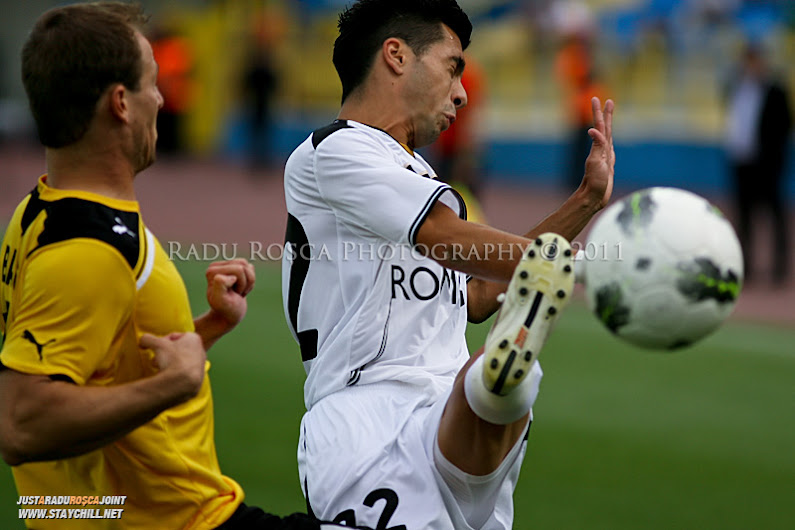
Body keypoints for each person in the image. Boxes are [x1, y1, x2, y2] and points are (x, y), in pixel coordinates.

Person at [0, 3, 336, 529]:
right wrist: (171, 386)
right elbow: (21, 425)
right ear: (120, 103)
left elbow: (100, 364)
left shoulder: (41, 212)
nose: (160, 98)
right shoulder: (90, 250)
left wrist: (201, 332)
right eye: (151, 83)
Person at [281, 0, 615, 528]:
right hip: (368, 412)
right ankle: (497, 384)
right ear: (395, 56)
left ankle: (499, 384)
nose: (461, 90)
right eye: (453, 65)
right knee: (495, 385)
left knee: (498, 388)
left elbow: (476, 296)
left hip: (444, 405)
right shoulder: (333, 151)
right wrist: (592, 269)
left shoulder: (417, 173)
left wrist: (585, 202)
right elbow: (442, 238)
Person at [724, 42, 792, 285]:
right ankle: (746, 266)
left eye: (754, 60)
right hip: (741, 162)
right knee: (744, 216)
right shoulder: (736, 87)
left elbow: (784, 126)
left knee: (774, 215)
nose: (750, 65)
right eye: (747, 60)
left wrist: (774, 158)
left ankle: (779, 268)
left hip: (767, 164)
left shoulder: (775, 90)